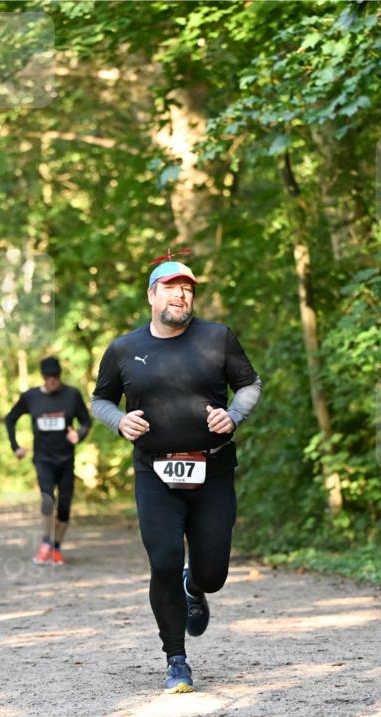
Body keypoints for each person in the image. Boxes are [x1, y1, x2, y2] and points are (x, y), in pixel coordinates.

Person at [91, 255, 262, 693]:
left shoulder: (217, 338)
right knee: (163, 559)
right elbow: (101, 401)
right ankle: (176, 660)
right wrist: (119, 422)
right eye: (170, 287)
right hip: (155, 474)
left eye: (186, 287)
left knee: (213, 575)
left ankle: (195, 584)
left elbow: (250, 384)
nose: (180, 294)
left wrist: (234, 414)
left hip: (214, 469)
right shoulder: (123, 349)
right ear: (152, 295)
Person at [5, 356, 91, 566]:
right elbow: (10, 418)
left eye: (55, 375)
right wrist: (15, 446)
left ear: (60, 375)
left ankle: (56, 547)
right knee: (47, 500)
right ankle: (45, 543)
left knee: (64, 506)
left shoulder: (72, 395)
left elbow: (86, 421)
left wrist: (78, 435)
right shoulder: (31, 397)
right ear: (42, 376)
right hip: (43, 459)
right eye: (48, 376)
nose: (52, 379)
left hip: (66, 459)